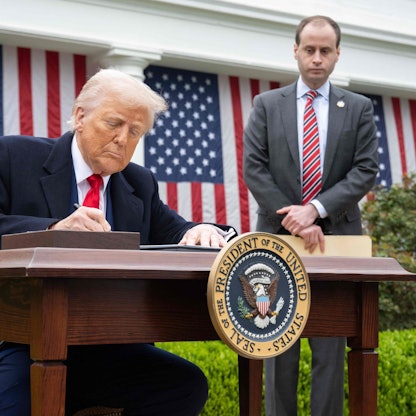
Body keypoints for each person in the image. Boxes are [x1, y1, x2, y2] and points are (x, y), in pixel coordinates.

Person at [0, 68, 236, 416]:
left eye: (135, 131)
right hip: (22, 339)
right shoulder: (14, 156)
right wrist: (53, 228)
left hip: (106, 347)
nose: (123, 139)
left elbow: (177, 230)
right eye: (114, 123)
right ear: (80, 116)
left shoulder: (138, 182)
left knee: (184, 386)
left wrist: (203, 230)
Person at [243, 15, 378, 416]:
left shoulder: (358, 108)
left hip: (338, 242)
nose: (316, 58)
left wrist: (314, 211)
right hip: (277, 239)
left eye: (325, 51)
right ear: (296, 51)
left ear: (337, 54)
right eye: (309, 50)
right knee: (277, 343)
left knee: (330, 347)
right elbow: (255, 168)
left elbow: (365, 170)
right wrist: (295, 219)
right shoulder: (266, 105)